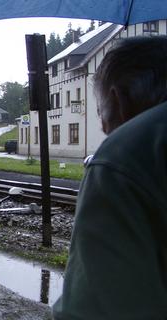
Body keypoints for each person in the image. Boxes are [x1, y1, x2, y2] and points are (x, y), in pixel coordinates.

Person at [53, 36, 167, 319]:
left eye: (101, 112)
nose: (104, 128)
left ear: (118, 100)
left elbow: (92, 311)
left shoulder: (122, 157)